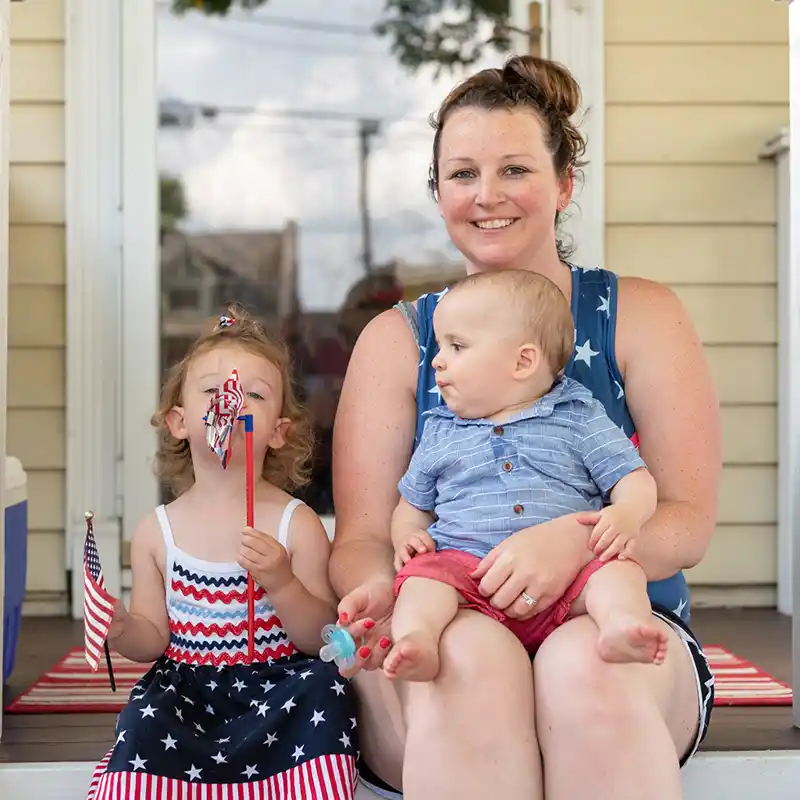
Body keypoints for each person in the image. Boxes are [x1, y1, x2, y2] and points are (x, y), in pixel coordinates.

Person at [330, 54, 720, 800]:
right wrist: (390, 596)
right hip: (448, 619)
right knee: (466, 659)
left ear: (564, 184)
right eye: (463, 174)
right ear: (438, 192)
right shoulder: (400, 340)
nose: (487, 196)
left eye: (515, 169)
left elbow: (686, 521)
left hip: (612, 628)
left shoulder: (639, 316)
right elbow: (362, 537)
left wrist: (575, 543)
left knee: (586, 667)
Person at [86, 309, 358, 800]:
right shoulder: (156, 532)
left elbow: (320, 635)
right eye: (213, 392)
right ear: (179, 422)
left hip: (279, 690)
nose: (229, 404)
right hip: (188, 699)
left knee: (326, 687)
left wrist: (282, 583)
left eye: (252, 395)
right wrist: (121, 627)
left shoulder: (295, 522)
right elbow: (152, 641)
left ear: (278, 430)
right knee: (143, 716)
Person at [386, 270, 665, 684]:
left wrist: (627, 514)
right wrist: (407, 535)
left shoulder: (576, 416)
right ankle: (417, 640)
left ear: (523, 361)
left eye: (457, 346)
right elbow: (412, 506)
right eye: (439, 346)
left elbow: (634, 478)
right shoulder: (440, 431)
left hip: (567, 583)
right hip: (468, 578)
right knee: (422, 581)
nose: (437, 360)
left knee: (619, 573)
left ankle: (619, 627)